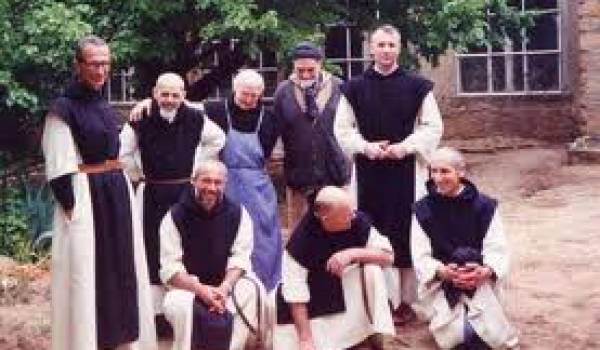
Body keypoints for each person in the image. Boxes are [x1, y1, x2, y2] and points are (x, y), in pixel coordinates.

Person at [41, 35, 156, 350]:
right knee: (90, 276)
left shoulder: (102, 105)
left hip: (114, 198)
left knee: (119, 274)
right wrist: (73, 211)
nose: (101, 70)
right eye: (94, 64)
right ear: (79, 65)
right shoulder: (63, 109)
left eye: (105, 63)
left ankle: (118, 341)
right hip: (86, 204)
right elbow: (59, 167)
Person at [334, 24, 443, 321]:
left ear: (399, 48)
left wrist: (404, 148)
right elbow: (342, 130)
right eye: (380, 45)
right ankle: (376, 298)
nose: (386, 51)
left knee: (405, 231)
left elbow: (433, 127)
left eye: (391, 45)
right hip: (368, 172)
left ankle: (405, 301)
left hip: (405, 172)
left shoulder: (417, 86)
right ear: (371, 48)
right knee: (371, 228)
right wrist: (367, 147)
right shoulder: (353, 87)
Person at [119, 72, 226, 325]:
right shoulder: (139, 117)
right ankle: (155, 315)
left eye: (175, 94)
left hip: (184, 193)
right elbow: (123, 154)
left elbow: (218, 139)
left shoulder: (196, 117)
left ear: (183, 95)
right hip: (151, 193)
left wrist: (196, 168)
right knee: (151, 247)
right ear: (155, 93)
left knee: (186, 247)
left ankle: (185, 309)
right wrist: (139, 174)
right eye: (164, 94)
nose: (169, 99)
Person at [411, 147, 519, 349]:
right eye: (433, 171)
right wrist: (442, 271)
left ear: (461, 172)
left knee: (492, 337)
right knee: (454, 337)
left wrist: (484, 271)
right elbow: (420, 255)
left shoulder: (485, 206)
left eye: (445, 171)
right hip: (442, 282)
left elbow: (497, 248)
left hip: (479, 280)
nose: (438, 178)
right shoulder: (422, 210)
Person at [273, 186, 395, 350]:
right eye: (347, 215)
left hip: (348, 288)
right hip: (317, 298)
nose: (353, 217)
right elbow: (295, 292)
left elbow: (388, 257)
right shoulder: (300, 241)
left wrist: (352, 253)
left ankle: (376, 331)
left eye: (353, 212)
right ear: (325, 217)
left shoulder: (356, 220)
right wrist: (305, 338)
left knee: (372, 270)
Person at [159, 160, 263, 350]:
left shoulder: (239, 213)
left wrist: (223, 288)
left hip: (224, 285)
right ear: (194, 181)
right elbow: (170, 268)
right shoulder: (174, 216)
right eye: (206, 181)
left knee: (252, 289)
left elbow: (241, 257)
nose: (212, 187)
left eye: (218, 182)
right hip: (188, 287)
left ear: (225, 184)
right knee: (180, 304)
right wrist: (201, 290)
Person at [204, 69, 282, 291]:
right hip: (222, 181)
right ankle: (222, 288)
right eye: (244, 94)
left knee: (263, 237)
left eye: (254, 96)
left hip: (257, 186)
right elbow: (181, 105)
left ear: (261, 93)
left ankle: (266, 289)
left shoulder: (269, 118)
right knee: (223, 234)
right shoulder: (214, 111)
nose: (248, 100)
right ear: (234, 88)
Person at [273, 41, 350, 231]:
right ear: (293, 67)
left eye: (310, 70)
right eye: (300, 70)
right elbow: (277, 128)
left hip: (334, 170)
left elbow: (351, 126)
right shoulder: (283, 91)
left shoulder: (340, 88)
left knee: (336, 226)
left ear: (320, 65)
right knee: (299, 231)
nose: (305, 75)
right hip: (299, 172)